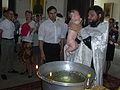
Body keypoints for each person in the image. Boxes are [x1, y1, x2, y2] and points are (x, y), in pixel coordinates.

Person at [64, 5, 109, 85]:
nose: (89, 17)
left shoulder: (103, 27)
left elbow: (94, 44)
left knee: (91, 83)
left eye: (92, 15)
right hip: (83, 60)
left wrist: (80, 30)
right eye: (88, 15)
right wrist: (70, 44)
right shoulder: (87, 28)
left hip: (93, 62)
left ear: (99, 16)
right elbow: (79, 41)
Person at [0, 9, 16, 80]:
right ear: (7, 14)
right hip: (5, 41)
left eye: (12, 14)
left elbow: (13, 33)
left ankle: (11, 69)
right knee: (4, 57)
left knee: (11, 56)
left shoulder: (12, 23)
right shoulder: (3, 23)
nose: (11, 15)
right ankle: (2, 72)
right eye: (10, 14)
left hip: (12, 41)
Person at [19, 10, 36, 78]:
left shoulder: (33, 23)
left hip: (29, 42)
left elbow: (30, 32)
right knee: (24, 57)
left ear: (31, 15)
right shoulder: (23, 22)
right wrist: (20, 41)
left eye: (29, 14)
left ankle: (30, 72)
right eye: (26, 14)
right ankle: (26, 70)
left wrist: (26, 29)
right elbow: (20, 33)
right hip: (23, 41)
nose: (27, 15)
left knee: (29, 58)